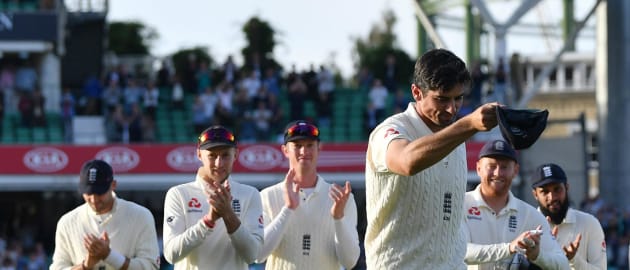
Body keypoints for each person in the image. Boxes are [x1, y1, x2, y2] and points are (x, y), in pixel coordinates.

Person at [365, 48, 500, 269]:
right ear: (417, 92)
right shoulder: (389, 130)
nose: (452, 108)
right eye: (441, 99)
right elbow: (407, 162)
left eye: (458, 98)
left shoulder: (456, 136)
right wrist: (468, 124)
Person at [256, 120, 360, 269]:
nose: (304, 152)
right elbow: (258, 255)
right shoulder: (267, 196)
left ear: (319, 148)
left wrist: (339, 219)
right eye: (297, 146)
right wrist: (288, 209)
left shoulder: (342, 199)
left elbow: (349, 262)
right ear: (285, 150)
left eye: (310, 145)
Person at [162, 126, 263, 269]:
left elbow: (253, 255)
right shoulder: (179, 194)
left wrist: (228, 214)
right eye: (212, 155)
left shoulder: (250, 194)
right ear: (199, 154)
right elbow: (171, 254)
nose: (219, 163)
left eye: (225, 155)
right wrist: (208, 221)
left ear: (236, 154)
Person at [463, 140, 570, 269]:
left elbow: (563, 265)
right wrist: (509, 248)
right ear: (478, 168)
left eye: (504, 167)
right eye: (491, 166)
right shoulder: (461, 205)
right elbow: (461, 251)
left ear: (515, 170)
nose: (497, 173)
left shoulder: (530, 215)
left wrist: (537, 256)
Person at [50, 159, 160, 270]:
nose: (93, 199)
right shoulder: (67, 222)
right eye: (88, 193)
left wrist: (109, 256)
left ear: (113, 185)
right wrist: (86, 265)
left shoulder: (140, 216)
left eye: (99, 192)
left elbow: (150, 266)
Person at [531, 163, 607, 269]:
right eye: (545, 191)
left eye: (557, 189)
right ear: (535, 194)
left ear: (567, 188)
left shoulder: (589, 223)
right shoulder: (526, 225)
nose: (552, 197)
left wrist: (574, 260)